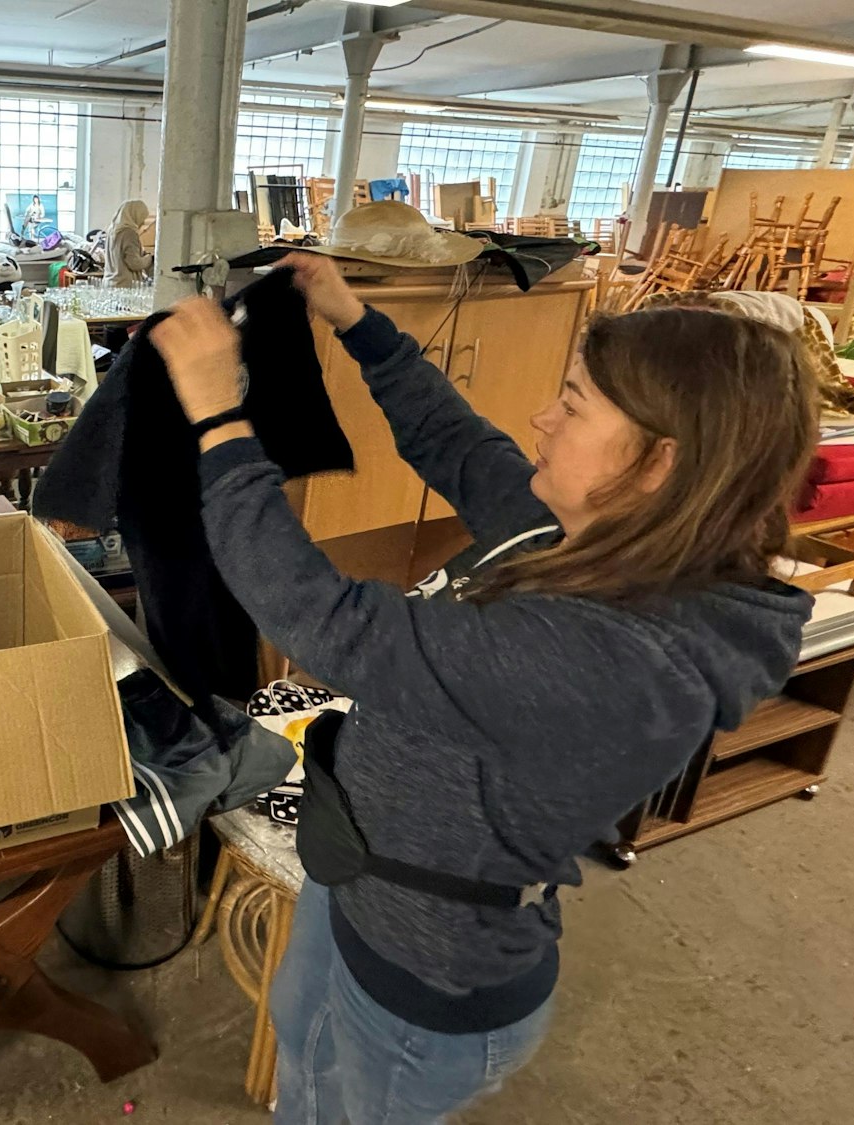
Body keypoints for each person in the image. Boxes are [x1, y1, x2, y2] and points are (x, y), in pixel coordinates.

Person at [150, 252, 819, 1124]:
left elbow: (322, 616)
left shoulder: (612, 657)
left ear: (660, 462)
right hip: (357, 876)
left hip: (423, 979)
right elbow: (461, 449)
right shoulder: (598, 540)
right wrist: (358, 323)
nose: (544, 417)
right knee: (303, 1053)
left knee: (349, 1100)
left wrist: (217, 417)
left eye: (574, 404)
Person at [104, 199, 155, 288]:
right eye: (142, 218)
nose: (143, 222)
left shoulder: (112, 231)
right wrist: (150, 258)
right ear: (135, 215)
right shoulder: (129, 234)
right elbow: (134, 264)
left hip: (110, 282)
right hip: (125, 285)